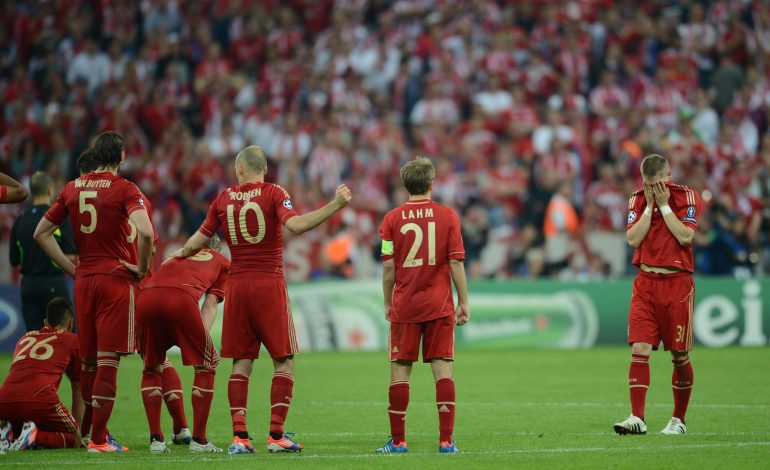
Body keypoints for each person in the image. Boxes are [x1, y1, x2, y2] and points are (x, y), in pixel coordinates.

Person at [174, 145, 352, 454]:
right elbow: (296, 225)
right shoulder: (273, 193)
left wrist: (176, 258)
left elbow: (196, 241)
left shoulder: (223, 199)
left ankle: (239, 437)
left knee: (241, 363)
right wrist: (335, 204)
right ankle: (276, 435)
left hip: (238, 285)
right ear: (265, 169)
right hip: (268, 284)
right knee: (283, 360)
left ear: (240, 170)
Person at [33, 131, 155, 453]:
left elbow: (40, 233)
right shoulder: (126, 189)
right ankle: (99, 440)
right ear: (122, 156)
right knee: (108, 361)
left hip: (84, 280)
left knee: (87, 362)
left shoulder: (72, 187)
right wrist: (141, 267)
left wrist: (69, 267)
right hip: (114, 278)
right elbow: (146, 231)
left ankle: (87, 433)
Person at [376, 157, 470, 454]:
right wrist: (463, 301)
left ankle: (399, 441)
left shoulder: (390, 220)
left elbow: (388, 266)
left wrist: (388, 301)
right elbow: (455, 261)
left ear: (405, 185)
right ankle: (445, 441)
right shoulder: (448, 216)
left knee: (400, 372)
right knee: (443, 372)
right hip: (439, 305)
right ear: (432, 183)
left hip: (405, 305)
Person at [614, 154, 701, 435]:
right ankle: (637, 417)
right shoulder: (637, 199)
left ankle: (679, 420)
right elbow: (632, 239)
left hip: (677, 284)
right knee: (640, 348)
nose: (653, 189)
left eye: (657, 184)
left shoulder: (686, 196)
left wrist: (664, 206)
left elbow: (685, 236)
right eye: (648, 185)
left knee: (679, 355)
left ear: (668, 177)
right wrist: (651, 207)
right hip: (645, 283)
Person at [131, 235, 228, 454]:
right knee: (207, 363)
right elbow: (210, 304)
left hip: (146, 299)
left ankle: (156, 440)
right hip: (181, 300)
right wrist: (202, 340)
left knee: (152, 366)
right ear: (217, 248)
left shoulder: (175, 256)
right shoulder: (222, 262)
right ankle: (199, 440)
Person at [0, 298, 85, 451]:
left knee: (24, 427)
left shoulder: (24, 338)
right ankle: (35, 436)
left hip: (4, 400)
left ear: (45, 322)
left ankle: (9, 432)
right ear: (71, 323)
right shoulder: (73, 340)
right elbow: (79, 387)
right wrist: (78, 431)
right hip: (40, 399)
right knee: (73, 439)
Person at [10, 172, 77, 331]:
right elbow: (70, 255)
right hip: (53, 283)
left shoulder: (20, 220)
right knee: (65, 336)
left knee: (34, 338)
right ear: (49, 190)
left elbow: (15, 260)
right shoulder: (58, 217)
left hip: (28, 285)